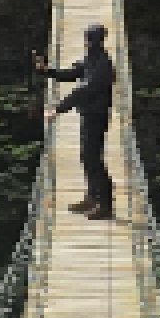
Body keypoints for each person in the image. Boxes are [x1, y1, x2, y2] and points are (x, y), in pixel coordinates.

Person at [44, 24, 117, 219]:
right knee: (87, 157)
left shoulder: (102, 65)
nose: (85, 42)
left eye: (87, 39)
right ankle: (92, 198)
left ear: (91, 40)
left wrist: (58, 109)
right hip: (89, 115)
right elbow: (73, 73)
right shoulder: (93, 59)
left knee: (93, 158)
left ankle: (105, 204)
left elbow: (83, 91)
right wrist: (47, 71)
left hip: (97, 117)